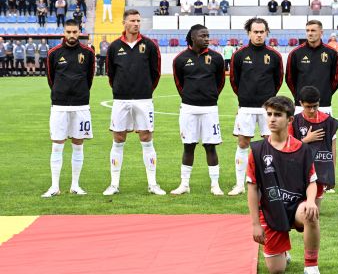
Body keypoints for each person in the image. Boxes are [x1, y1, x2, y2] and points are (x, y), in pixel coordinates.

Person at [247, 96, 321, 274]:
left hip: (296, 207)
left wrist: (311, 201)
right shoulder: (257, 150)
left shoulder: (302, 149)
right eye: (269, 114)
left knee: (310, 213)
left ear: (290, 119)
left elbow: (312, 182)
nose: (272, 119)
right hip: (271, 211)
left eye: (278, 115)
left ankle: (311, 266)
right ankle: (283, 253)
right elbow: (252, 188)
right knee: (276, 270)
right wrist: (255, 224)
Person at [103, 10, 164, 196]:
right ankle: (114, 184)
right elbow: (111, 74)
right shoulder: (114, 47)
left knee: (146, 138)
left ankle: (152, 184)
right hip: (121, 100)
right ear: (124, 22)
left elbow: (156, 73)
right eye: (132, 20)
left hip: (143, 99)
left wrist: (144, 90)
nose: (136, 23)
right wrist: (121, 90)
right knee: (119, 138)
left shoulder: (150, 45)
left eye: (138, 20)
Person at [228, 18, 284, 196]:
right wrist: (244, 97)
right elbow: (234, 80)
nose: (259, 35)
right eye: (255, 32)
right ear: (249, 33)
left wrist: (269, 100)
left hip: (268, 108)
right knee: (243, 143)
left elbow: (278, 80)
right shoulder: (239, 55)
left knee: (271, 144)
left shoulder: (274, 55)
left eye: (262, 32)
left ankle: (269, 183)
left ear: (267, 33)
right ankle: (239, 184)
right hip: (246, 106)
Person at [41, 20, 96, 198]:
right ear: (63, 32)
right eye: (68, 32)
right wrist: (60, 92)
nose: (72, 35)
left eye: (75, 32)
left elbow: (89, 78)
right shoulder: (53, 53)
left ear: (80, 32)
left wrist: (80, 93)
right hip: (59, 105)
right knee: (57, 145)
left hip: (81, 105)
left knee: (78, 145)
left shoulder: (88, 53)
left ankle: (75, 185)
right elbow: (51, 78)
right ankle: (54, 186)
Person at [169, 25, 226, 196]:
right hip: (188, 108)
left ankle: (215, 185)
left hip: (210, 109)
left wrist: (211, 96)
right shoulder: (180, 59)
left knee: (210, 146)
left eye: (208, 35)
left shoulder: (216, 58)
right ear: (193, 37)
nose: (207, 38)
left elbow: (220, 82)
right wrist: (189, 96)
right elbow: (179, 83)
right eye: (203, 36)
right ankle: (184, 184)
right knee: (189, 146)